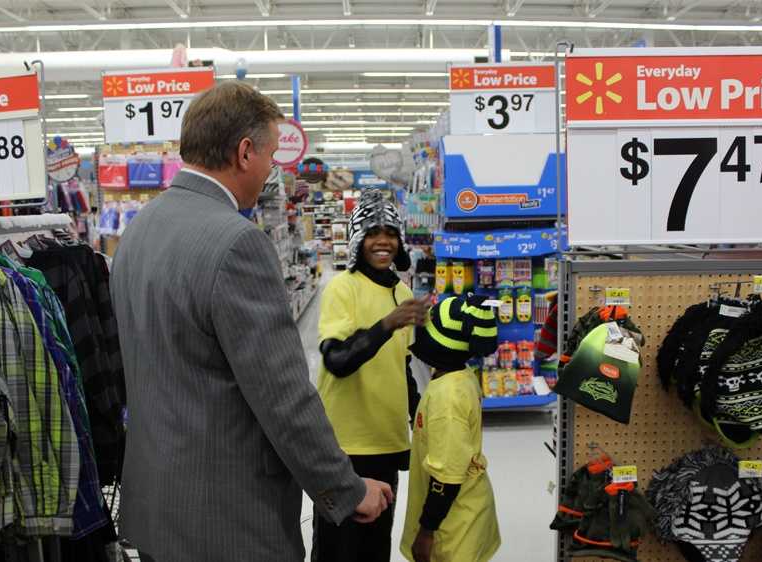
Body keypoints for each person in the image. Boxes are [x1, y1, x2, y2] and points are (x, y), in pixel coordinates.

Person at [110, 81, 394, 562]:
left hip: (158, 510)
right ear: (244, 152)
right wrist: (344, 489)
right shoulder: (237, 243)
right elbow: (283, 396)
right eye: (269, 157)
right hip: (229, 523)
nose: (269, 172)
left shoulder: (137, 231)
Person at [313, 189, 431, 562]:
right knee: (336, 549)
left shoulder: (403, 291)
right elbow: (338, 361)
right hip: (343, 447)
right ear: (357, 239)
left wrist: (425, 422)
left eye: (391, 233)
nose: (383, 241)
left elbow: (403, 368)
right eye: (373, 232)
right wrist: (386, 325)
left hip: (386, 441)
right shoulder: (342, 289)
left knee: (375, 547)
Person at [400, 294, 502, 562]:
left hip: (452, 529)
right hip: (466, 512)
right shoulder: (457, 377)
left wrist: (426, 531)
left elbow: (447, 476)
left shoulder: (448, 398)